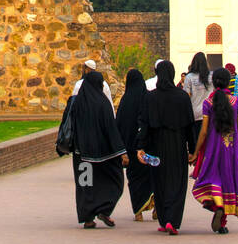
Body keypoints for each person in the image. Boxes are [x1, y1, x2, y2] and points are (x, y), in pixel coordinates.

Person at [138, 60, 196, 235]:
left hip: (156, 146)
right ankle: (173, 219)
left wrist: (141, 147)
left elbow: (145, 124)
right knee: (177, 182)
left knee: (160, 182)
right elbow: (189, 125)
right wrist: (192, 150)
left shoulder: (150, 97)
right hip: (177, 145)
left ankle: (164, 220)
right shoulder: (182, 97)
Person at [192, 67, 238, 233]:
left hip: (213, 150)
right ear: (228, 82)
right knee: (227, 180)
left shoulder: (208, 103)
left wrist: (196, 152)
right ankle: (222, 219)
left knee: (213, 179)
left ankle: (217, 205)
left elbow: (203, 131)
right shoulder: (235, 102)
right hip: (231, 149)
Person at [68, 70, 127, 228]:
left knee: (85, 186)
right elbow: (110, 128)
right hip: (103, 155)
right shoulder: (103, 103)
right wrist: (121, 151)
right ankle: (104, 209)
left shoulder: (76, 103)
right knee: (115, 181)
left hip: (82, 155)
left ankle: (87, 217)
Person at [115, 68, 154, 222]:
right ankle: (155, 205)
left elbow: (119, 125)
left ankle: (138, 211)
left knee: (134, 179)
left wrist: (121, 149)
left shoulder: (125, 101)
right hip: (147, 147)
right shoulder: (149, 98)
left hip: (130, 148)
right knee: (151, 176)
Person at [180, 52, 212, 152]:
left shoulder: (189, 77)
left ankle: (197, 162)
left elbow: (185, 96)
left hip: (195, 114)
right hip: (210, 114)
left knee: (197, 143)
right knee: (208, 144)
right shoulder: (211, 76)